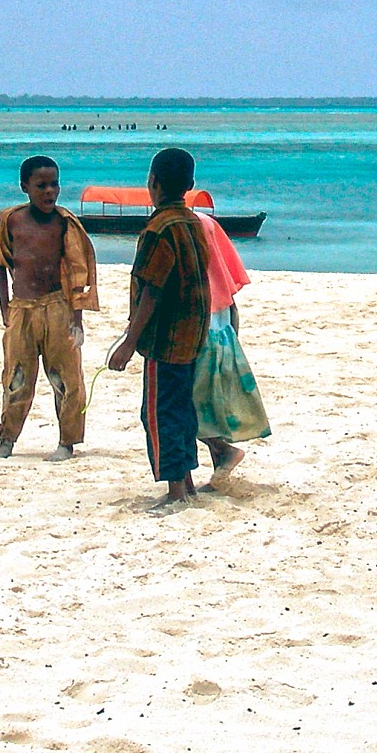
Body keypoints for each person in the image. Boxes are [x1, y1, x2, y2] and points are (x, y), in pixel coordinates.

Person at [107, 147, 212, 507]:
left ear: (152, 182)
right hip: (193, 335)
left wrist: (129, 341)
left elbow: (152, 289)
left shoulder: (158, 230)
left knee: (157, 413)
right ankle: (188, 481)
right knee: (182, 410)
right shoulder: (194, 223)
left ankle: (176, 490)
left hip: (165, 340)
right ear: (190, 185)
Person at [0, 155, 99, 461]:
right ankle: (7, 439)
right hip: (22, 309)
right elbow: (0, 264)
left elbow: (77, 272)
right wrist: (5, 309)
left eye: (54, 184)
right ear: (25, 187)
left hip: (57, 307)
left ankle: (67, 442)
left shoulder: (64, 224)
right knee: (16, 378)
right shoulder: (10, 221)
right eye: (41, 186)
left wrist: (76, 319)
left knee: (66, 378)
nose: (50, 191)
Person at [192, 204, 270, 478]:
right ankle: (219, 460)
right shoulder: (207, 224)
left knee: (189, 401)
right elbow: (233, 311)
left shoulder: (192, 228)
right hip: (222, 332)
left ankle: (222, 450)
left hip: (200, 333)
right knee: (211, 401)